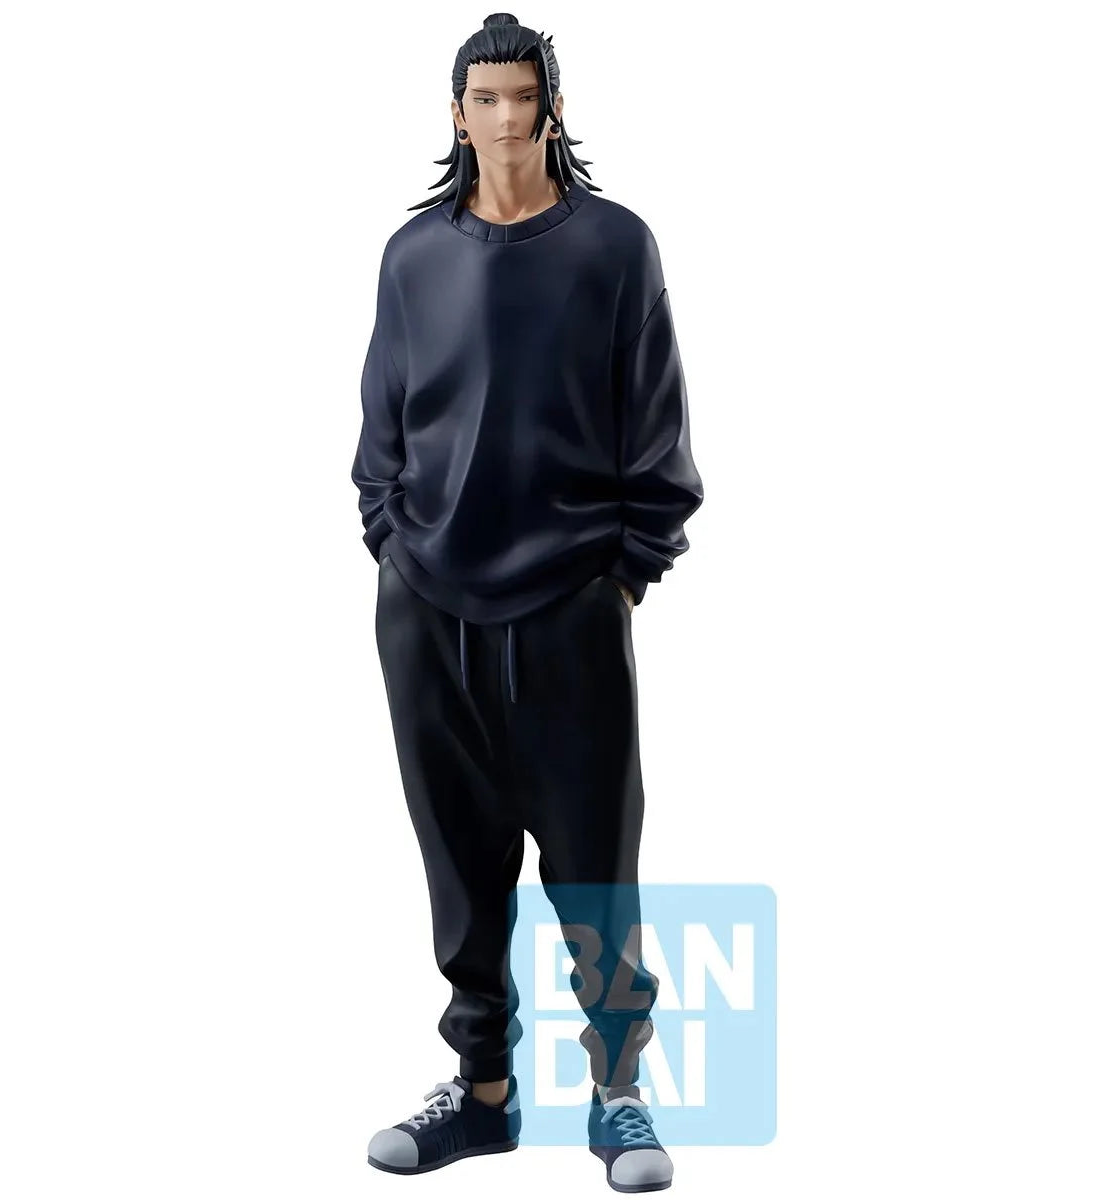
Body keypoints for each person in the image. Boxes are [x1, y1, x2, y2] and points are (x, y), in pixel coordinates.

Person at [351, 13, 703, 1193]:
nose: (506, 117)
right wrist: (396, 551)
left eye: (523, 95)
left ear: (553, 107)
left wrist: (623, 573)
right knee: (460, 866)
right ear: (456, 114)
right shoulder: (414, 256)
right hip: (427, 613)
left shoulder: (614, 247)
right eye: (485, 98)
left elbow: (657, 429)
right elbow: (382, 432)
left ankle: (619, 1094)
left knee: (594, 865)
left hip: (570, 610)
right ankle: (484, 1094)